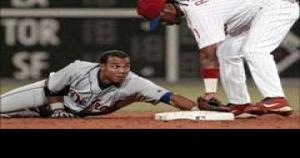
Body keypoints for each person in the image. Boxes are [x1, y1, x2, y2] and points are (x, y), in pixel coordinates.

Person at [136, 0, 299, 117]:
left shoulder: (197, 12)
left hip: (277, 7)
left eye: (160, 18)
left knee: (255, 50)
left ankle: (277, 99)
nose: (163, 23)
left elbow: (208, 54)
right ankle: (239, 103)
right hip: (257, 13)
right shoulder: (193, 6)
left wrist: (210, 93)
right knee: (227, 51)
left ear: (168, 6)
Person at [0, 50, 198, 118]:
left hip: (74, 112)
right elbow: (52, 87)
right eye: (115, 66)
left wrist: (198, 109)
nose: (122, 70)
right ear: (101, 66)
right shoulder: (79, 68)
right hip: (45, 98)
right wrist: (57, 109)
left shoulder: (134, 82)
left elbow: (170, 97)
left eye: (125, 66)